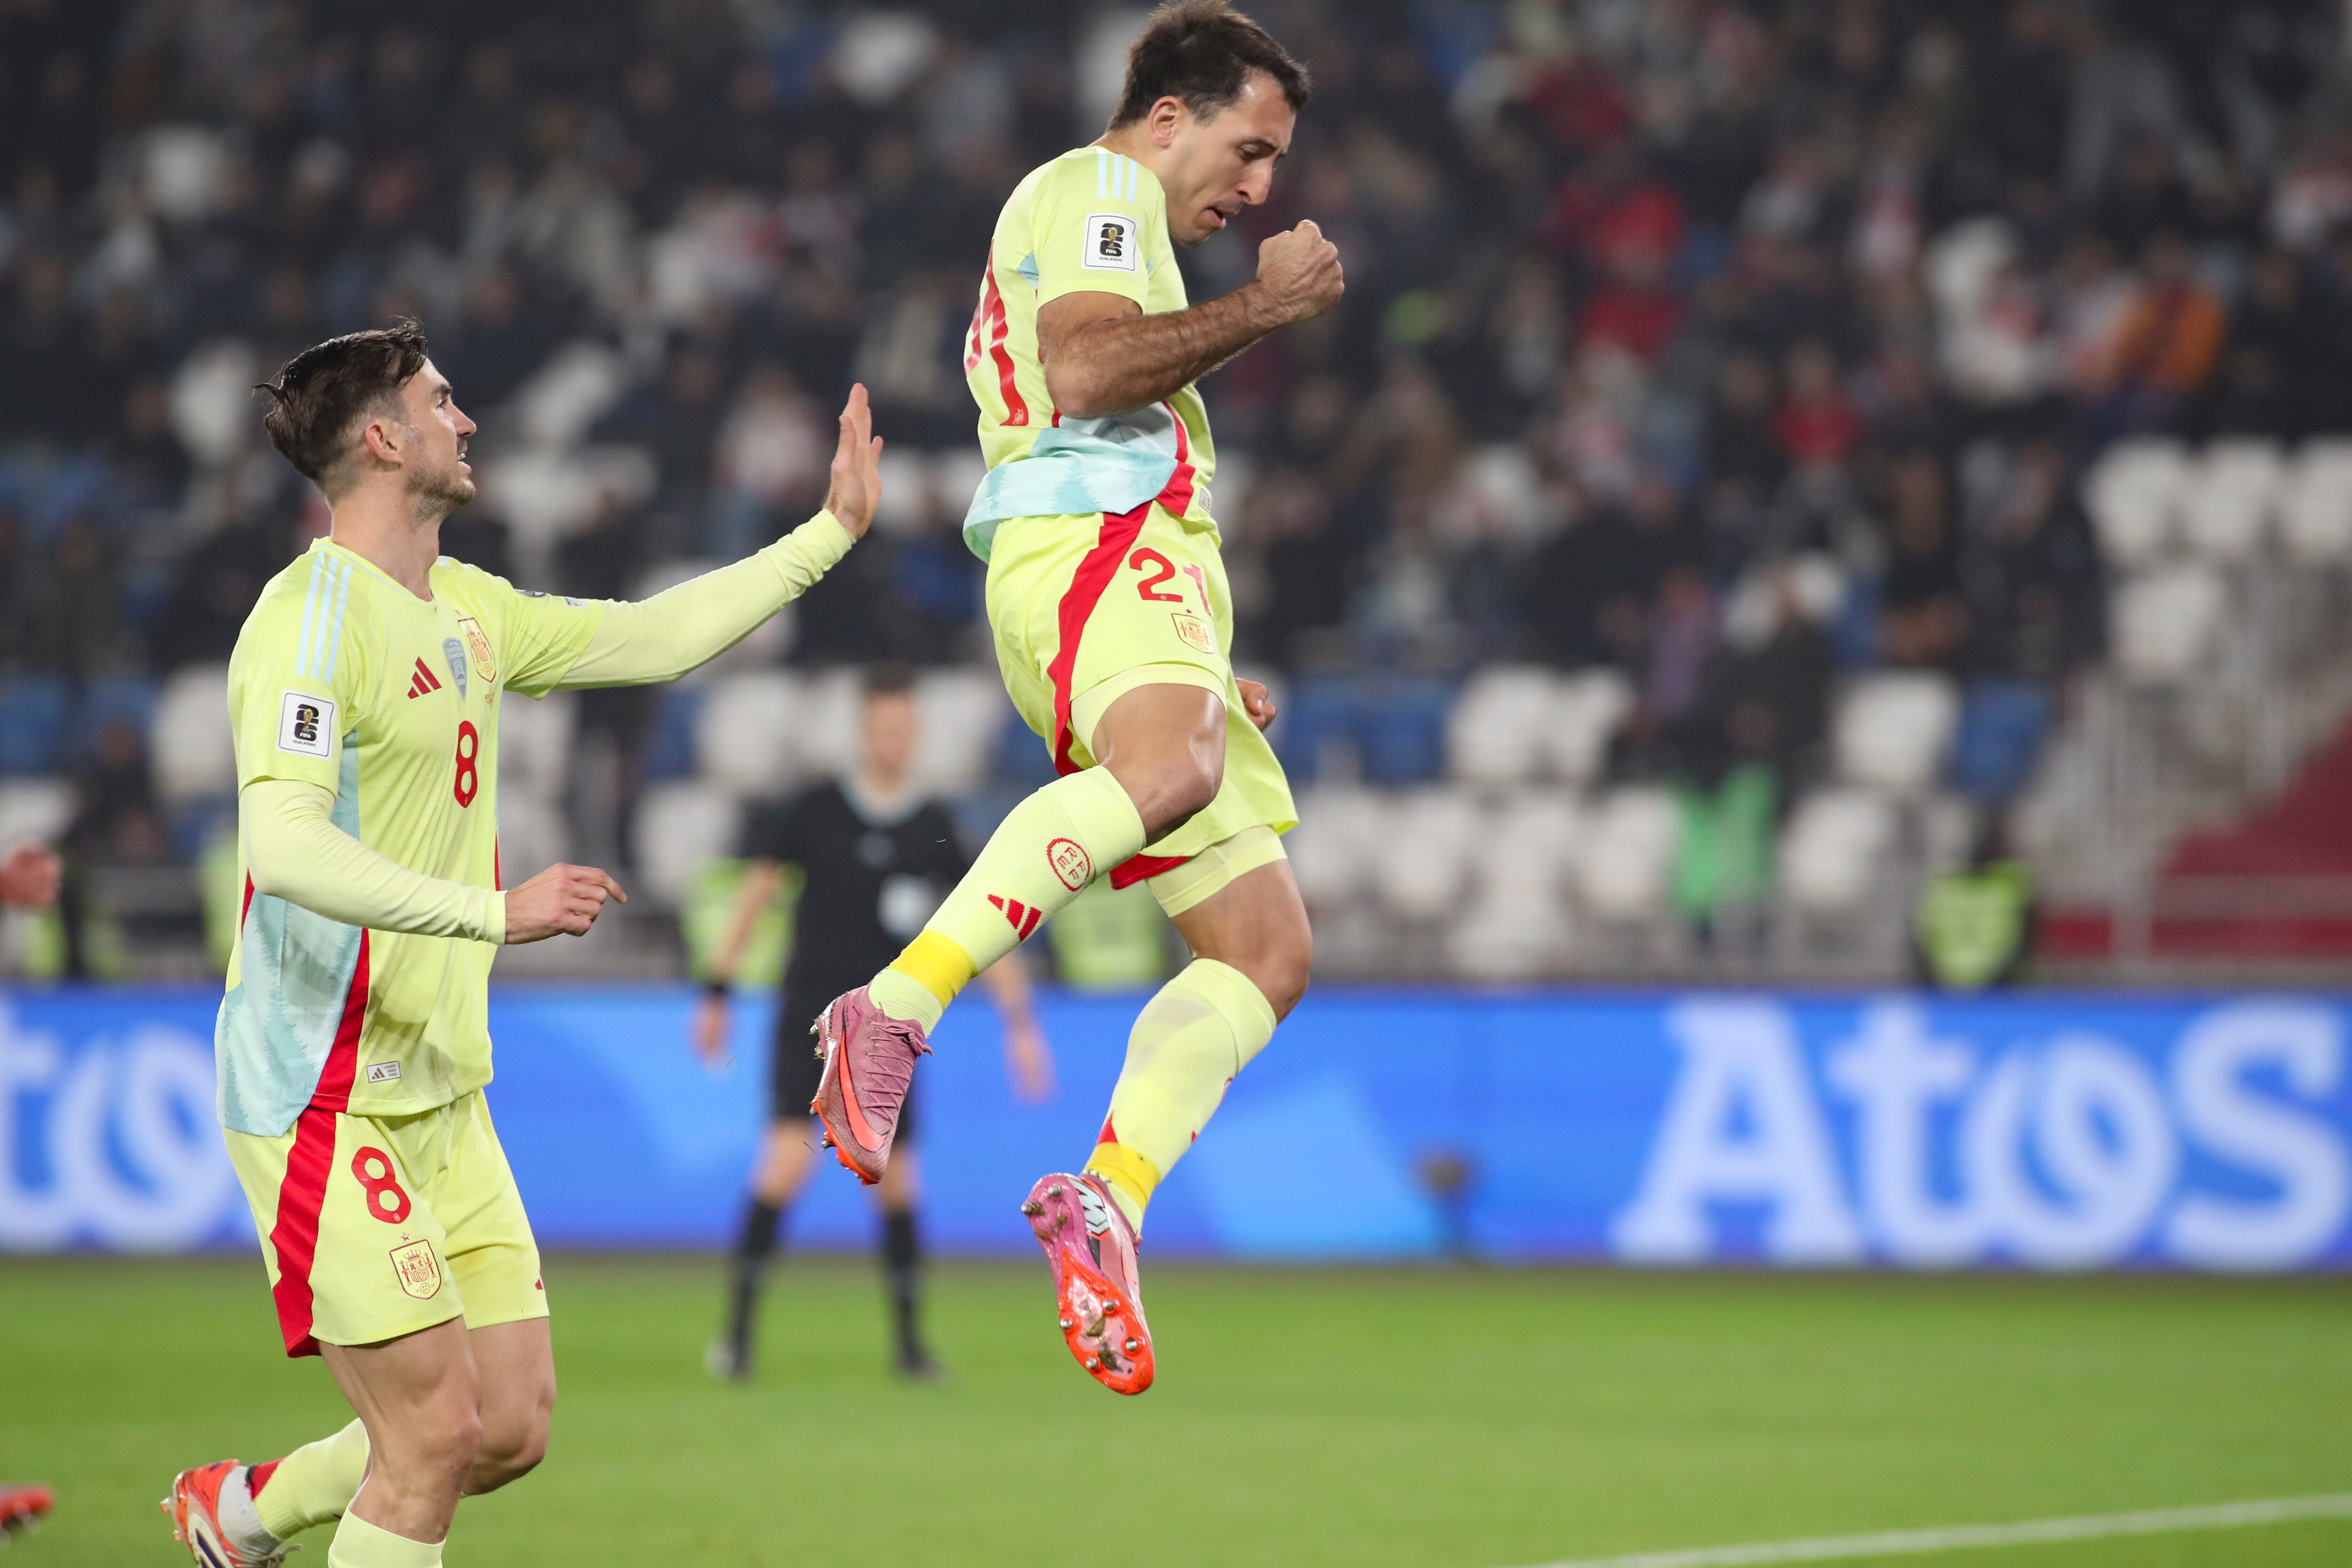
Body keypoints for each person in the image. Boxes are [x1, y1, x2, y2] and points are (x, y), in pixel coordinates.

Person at [162, 321, 881, 1568]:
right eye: (444, 401)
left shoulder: (469, 610)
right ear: (384, 439)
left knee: (505, 1423)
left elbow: (650, 638)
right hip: (321, 1091)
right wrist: (500, 911)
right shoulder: (308, 619)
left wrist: (827, 537)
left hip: (442, 1084)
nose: (469, 420)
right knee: (433, 1432)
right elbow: (279, 845)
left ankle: (244, 1512)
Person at [806, 0, 1339, 1396]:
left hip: (1127, 566)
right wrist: (1270, 308)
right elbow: (1089, 370)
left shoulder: (1119, 218)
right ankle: (898, 1007)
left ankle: (1111, 1192)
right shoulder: (1100, 186)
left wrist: (1204, 670)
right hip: (1101, 545)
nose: (1261, 186)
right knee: (1168, 775)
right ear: (1169, 116)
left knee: (1266, 951)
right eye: (1250, 146)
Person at [692, 664, 1053, 1382]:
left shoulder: (933, 825)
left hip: (889, 1033)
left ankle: (911, 1347)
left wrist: (1021, 1022)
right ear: (865, 732)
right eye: (883, 728)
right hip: (812, 1022)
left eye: (904, 730)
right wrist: (717, 991)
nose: (894, 741)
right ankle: (735, 1337)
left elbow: (986, 923)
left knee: (898, 1183)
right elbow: (755, 896)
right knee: (786, 1167)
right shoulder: (815, 810)